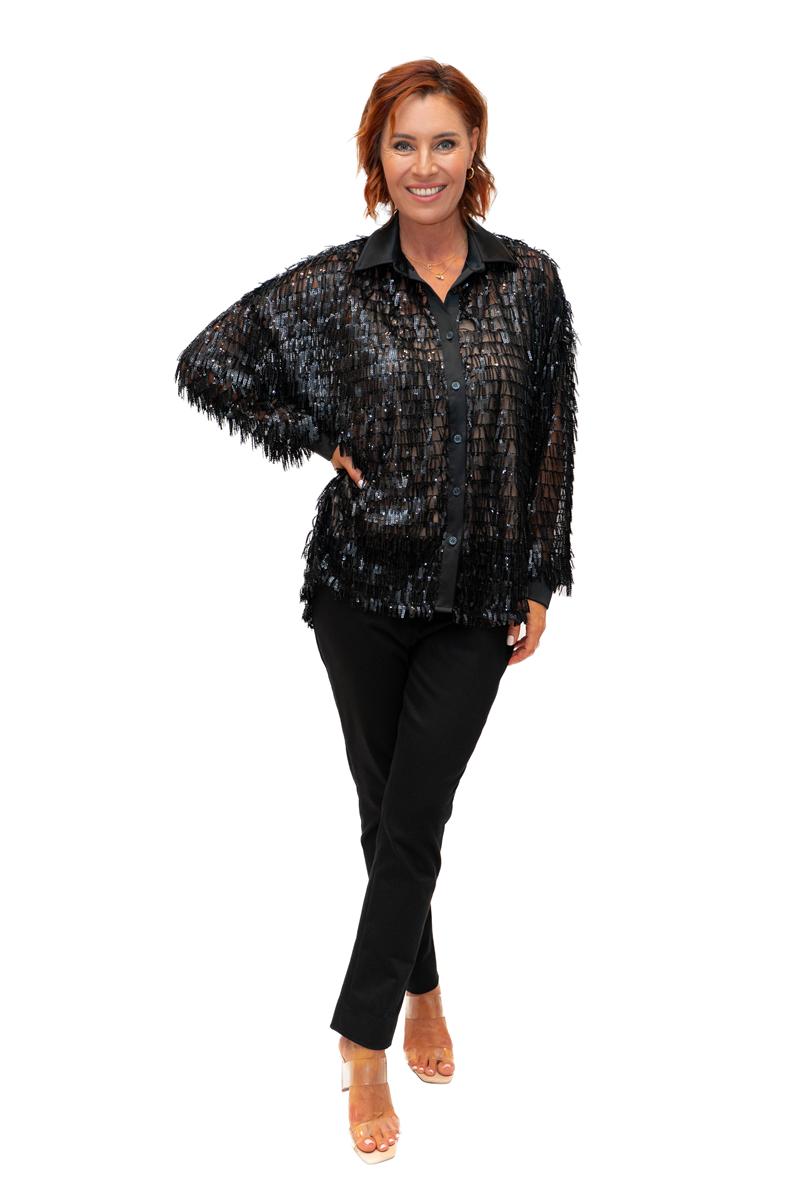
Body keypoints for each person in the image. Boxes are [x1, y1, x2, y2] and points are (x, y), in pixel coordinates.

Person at [174, 58, 578, 1164]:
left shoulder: (530, 284)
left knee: (414, 815)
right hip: (357, 592)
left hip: (474, 600)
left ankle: (362, 1041)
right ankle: (424, 990)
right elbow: (209, 361)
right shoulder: (337, 286)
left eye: (444, 142)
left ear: (475, 150)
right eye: (404, 144)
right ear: (376, 156)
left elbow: (551, 435)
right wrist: (313, 434)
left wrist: (540, 574)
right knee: (389, 813)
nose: (424, 165)